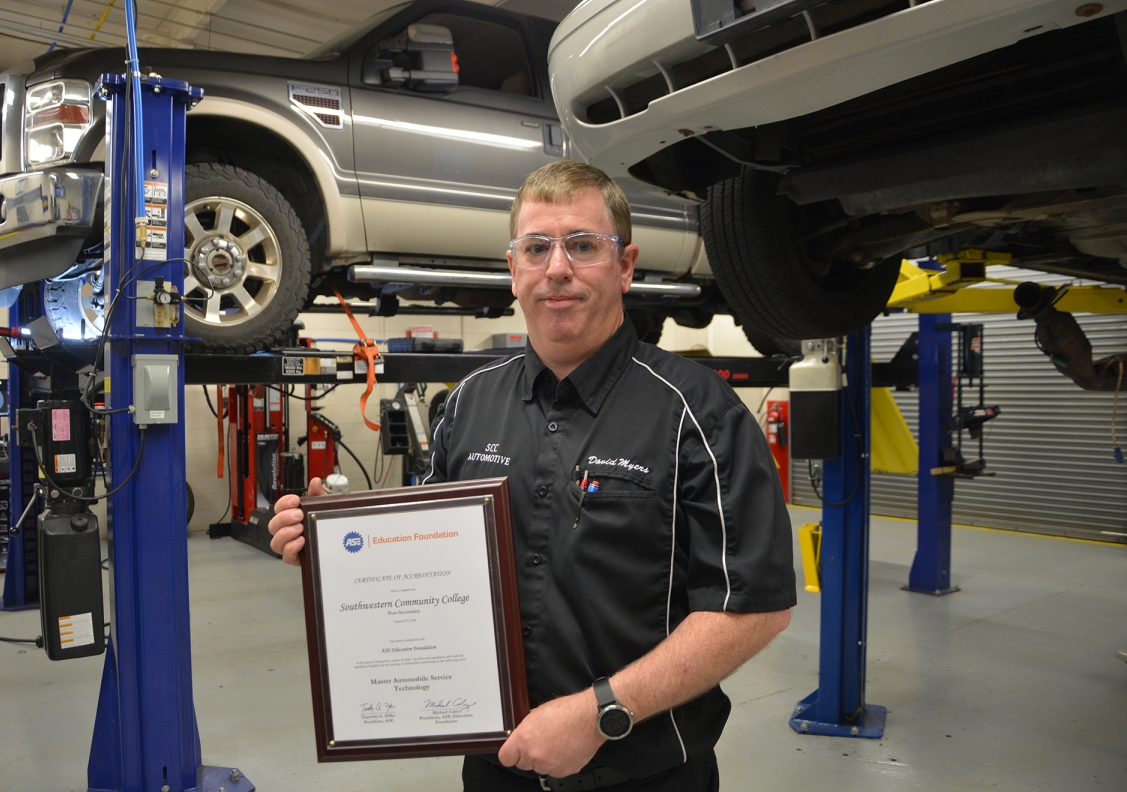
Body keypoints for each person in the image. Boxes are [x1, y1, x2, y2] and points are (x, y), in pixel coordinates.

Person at [269, 161, 796, 791]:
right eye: (537, 248)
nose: (557, 268)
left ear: (625, 266)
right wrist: (331, 546)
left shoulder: (700, 413)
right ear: (513, 269)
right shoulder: (467, 404)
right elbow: (429, 561)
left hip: (644, 774)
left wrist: (601, 713)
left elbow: (753, 607)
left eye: (582, 246)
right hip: (497, 769)